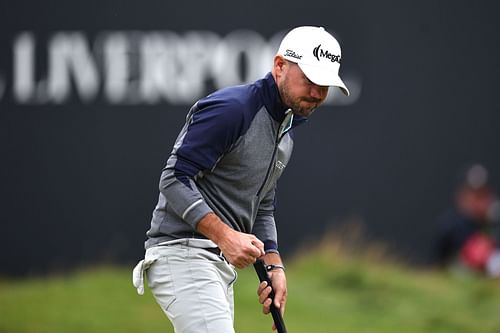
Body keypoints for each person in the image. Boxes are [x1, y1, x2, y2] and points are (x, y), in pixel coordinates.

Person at [133, 26, 350, 333]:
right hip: (181, 254)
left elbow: (261, 206)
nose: (317, 93)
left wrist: (274, 264)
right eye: (310, 80)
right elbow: (173, 178)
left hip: (215, 265)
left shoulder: (284, 133)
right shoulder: (233, 109)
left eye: (324, 85)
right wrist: (225, 235)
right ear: (279, 66)